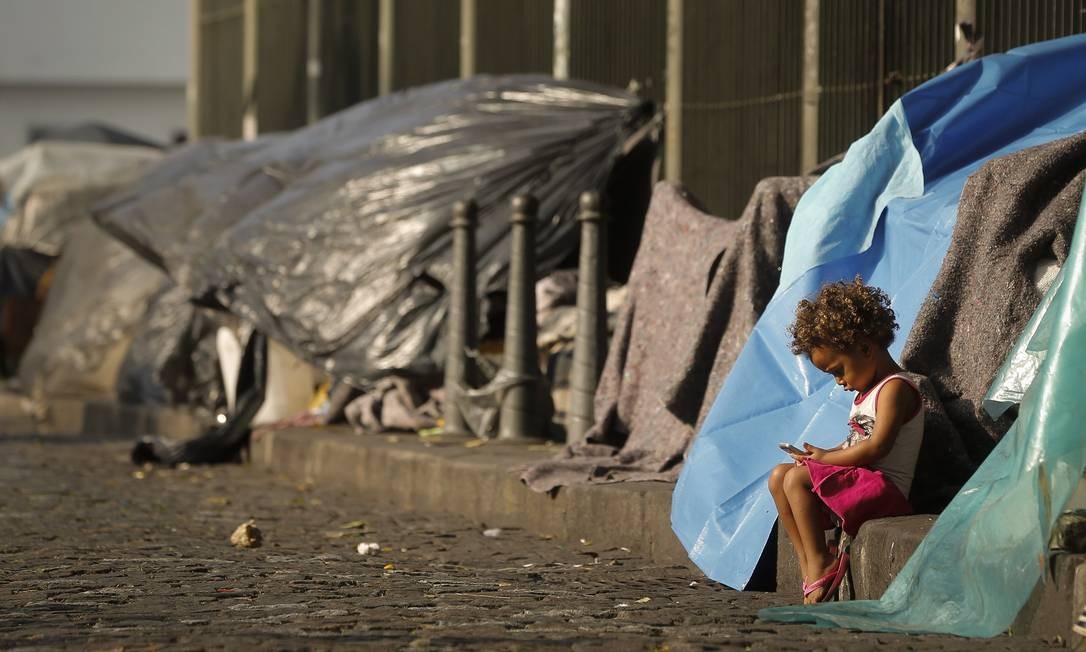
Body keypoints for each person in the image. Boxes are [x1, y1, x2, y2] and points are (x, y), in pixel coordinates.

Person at [768, 277, 924, 604]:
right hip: (863, 481)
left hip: (884, 490)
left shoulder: (895, 388)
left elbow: (877, 447)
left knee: (797, 479)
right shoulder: (866, 392)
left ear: (865, 349)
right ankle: (810, 563)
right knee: (779, 476)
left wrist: (824, 461)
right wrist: (822, 454)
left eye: (838, 370)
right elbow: (855, 443)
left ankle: (820, 561)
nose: (839, 382)